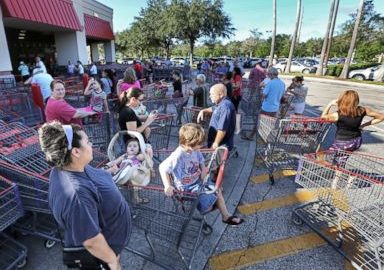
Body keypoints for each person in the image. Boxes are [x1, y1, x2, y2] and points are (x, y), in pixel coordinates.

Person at [38, 121, 131, 270]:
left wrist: (108, 172)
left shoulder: (71, 166)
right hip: (105, 250)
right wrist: (113, 261)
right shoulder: (77, 197)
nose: (91, 145)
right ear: (76, 152)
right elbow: (91, 241)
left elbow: (91, 178)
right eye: (88, 142)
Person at [159, 123, 244, 226]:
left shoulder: (195, 150)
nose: (201, 145)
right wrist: (167, 185)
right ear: (190, 143)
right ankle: (213, 204)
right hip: (187, 188)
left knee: (217, 190)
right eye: (199, 143)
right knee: (210, 202)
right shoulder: (178, 154)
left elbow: (200, 160)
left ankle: (226, 216)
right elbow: (162, 167)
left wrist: (203, 169)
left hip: (198, 181)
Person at [197, 84, 236, 151]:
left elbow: (222, 129)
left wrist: (215, 144)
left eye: (212, 94)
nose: (210, 96)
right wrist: (204, 110)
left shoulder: (225, 106)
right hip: (216, 144)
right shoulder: (222, 103)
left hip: (220, 146)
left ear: (220, 95)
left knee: (216, 161)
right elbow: (214, 108)